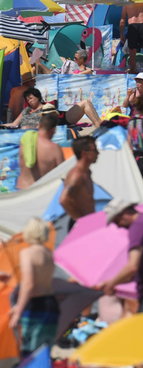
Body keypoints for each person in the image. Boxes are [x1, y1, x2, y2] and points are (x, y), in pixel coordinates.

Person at [7, 218, 58, 360]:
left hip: (36, 305)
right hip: (51, 303)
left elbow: (29, 284)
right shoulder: (49, 253)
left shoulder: (27, 253)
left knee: (31, 354)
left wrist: (18, 310)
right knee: (45, 352)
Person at [17, 113, 64, 190]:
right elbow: (62, 173)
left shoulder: (25, 141)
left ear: (39, 125)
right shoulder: (54, 148)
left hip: (21, 189)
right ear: (53, 129)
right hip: (40, 192)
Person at [60, 136, 98, 225]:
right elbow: (64, 199)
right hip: (81, 223)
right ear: (84, 153)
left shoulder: (86, 172)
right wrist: (80, 220)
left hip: (88, 220)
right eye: (95, 150)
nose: (98, 153)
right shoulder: (77, 175)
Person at [119, 2, 143, 73]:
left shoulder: (127, 3)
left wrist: (121, 34)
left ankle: (133, 71)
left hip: (132, 26)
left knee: (132, 52)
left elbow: (122, 20)